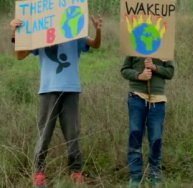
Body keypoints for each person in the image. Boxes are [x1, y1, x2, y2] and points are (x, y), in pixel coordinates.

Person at [10, 15, 102, 188]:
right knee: (44, 133)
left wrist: (97, 30)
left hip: (71, 89)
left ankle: (75, 172)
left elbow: (95, 44)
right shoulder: (41, 35)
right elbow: (19, 55)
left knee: (73, 133)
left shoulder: (75, 33)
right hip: (48, 90)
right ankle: (39, 173)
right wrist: (16, 34)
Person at [121, 56, 174, 188]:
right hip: (136, 97)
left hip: (158, 99)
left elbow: (170, 73)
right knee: (135, 134)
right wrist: (140, 76)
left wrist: (154, 67)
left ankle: (155, 174)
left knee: (156, 138)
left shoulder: (165, 46)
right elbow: (124, 70)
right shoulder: (134, 45)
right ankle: (135, 176)